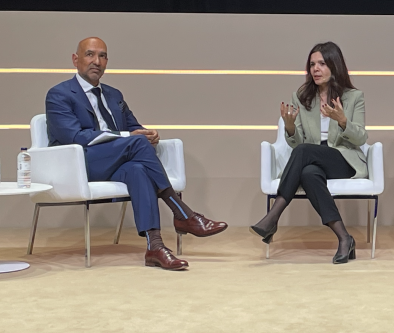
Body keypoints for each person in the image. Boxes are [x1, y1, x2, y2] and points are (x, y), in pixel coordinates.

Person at [45, 37, 228, 270]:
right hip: (80, 163)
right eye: (90, 54)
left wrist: (148, 134)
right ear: (75, 59)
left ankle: (155, 247)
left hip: (114, 161)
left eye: (102, 56)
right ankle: (182, 213)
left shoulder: (114, 95)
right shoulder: (59, 94)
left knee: (138, 169)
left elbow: (133, 128)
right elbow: (74, 136)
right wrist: (131, 138)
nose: (96, 61)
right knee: (137, 144)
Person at [251, 42, 367, 264]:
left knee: (305, 152)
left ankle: (273, 216)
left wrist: (343, 121)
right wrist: (290, 127)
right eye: (312, 64)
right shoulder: (301, 97)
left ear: (334, 65)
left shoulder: (354, 97)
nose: (316, 69)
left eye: (322, 64)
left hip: (343, 159)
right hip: (313, 157)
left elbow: (361, 137)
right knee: (308, 173)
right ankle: (344, 238)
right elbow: (297, 143)